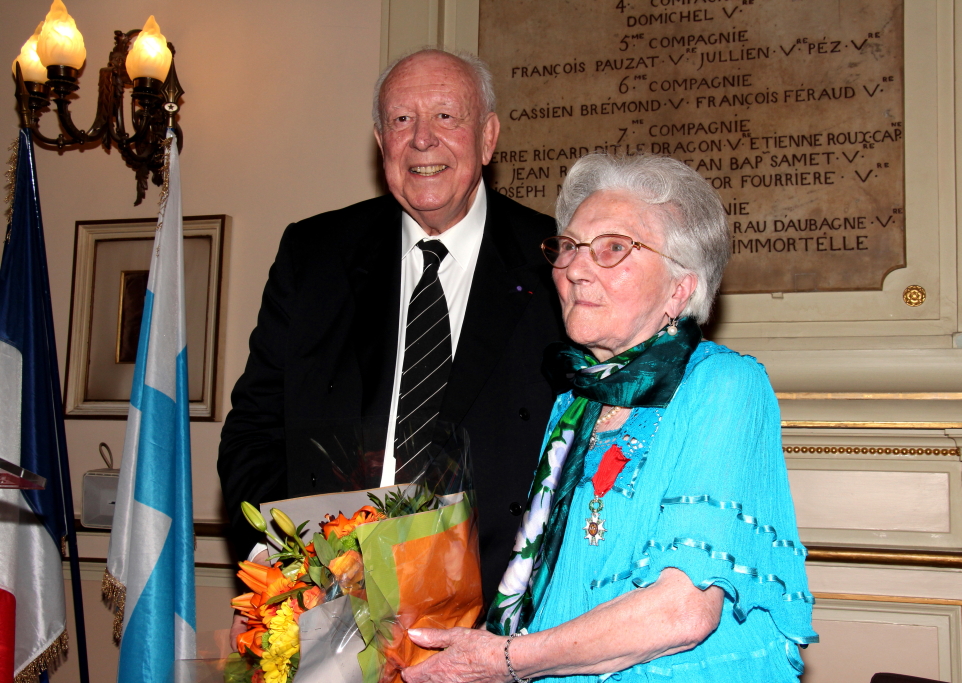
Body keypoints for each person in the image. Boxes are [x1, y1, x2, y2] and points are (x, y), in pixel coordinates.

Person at [401, 153, 817, 683]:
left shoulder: (723, 386)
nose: (575, 267)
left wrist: (505, 662)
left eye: (614, 249)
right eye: (570, 246)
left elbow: (682, 611)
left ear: (680, 287)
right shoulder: (575, 403)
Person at [217, 49, 565, 607]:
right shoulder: (313, 258)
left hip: (506, 621)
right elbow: (254, 435)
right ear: (381, 141)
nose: (422, 139)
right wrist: (290, 565)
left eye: (447, 117)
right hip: (332, 609)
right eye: (402, 119)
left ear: (488, 137)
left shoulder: (558, 262)